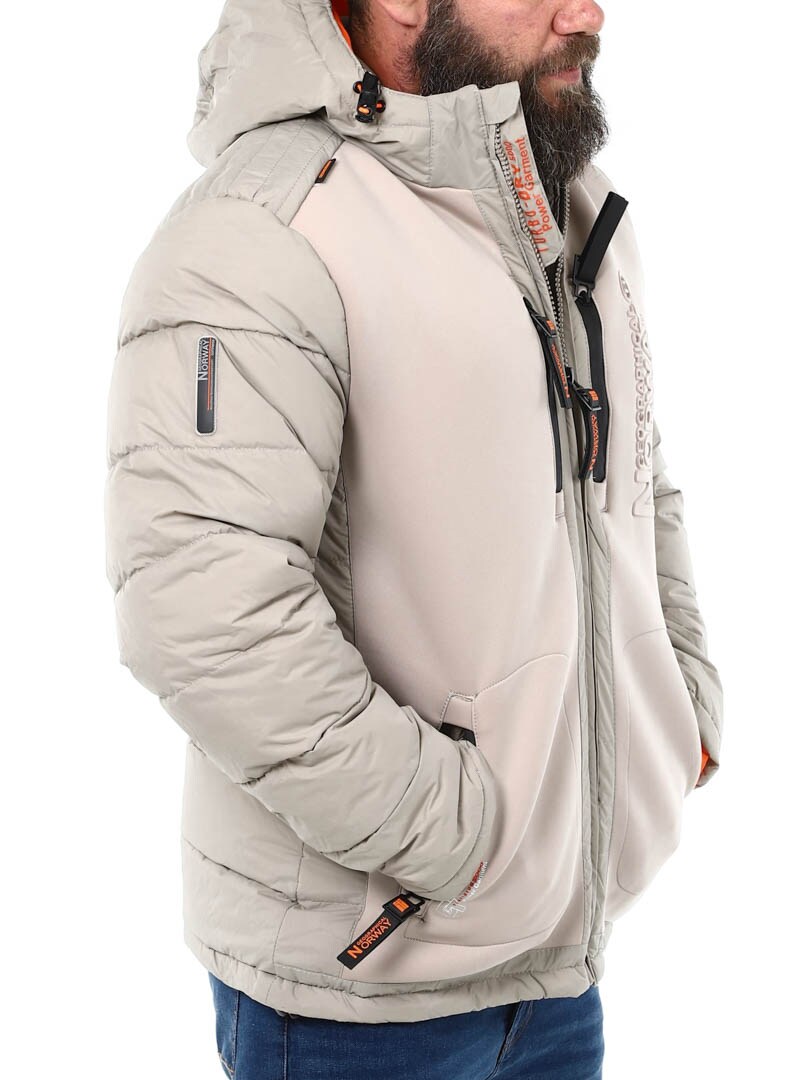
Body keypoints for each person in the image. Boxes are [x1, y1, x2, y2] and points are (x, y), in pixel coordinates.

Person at [104, 0, 724, 1075]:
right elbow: (204, 615)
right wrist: (462, 840)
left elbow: (632, 479)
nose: (588, 14)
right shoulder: (265, 233)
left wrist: (679, 706)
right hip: (360, 997)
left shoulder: (557, 206)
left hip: (556, 969)